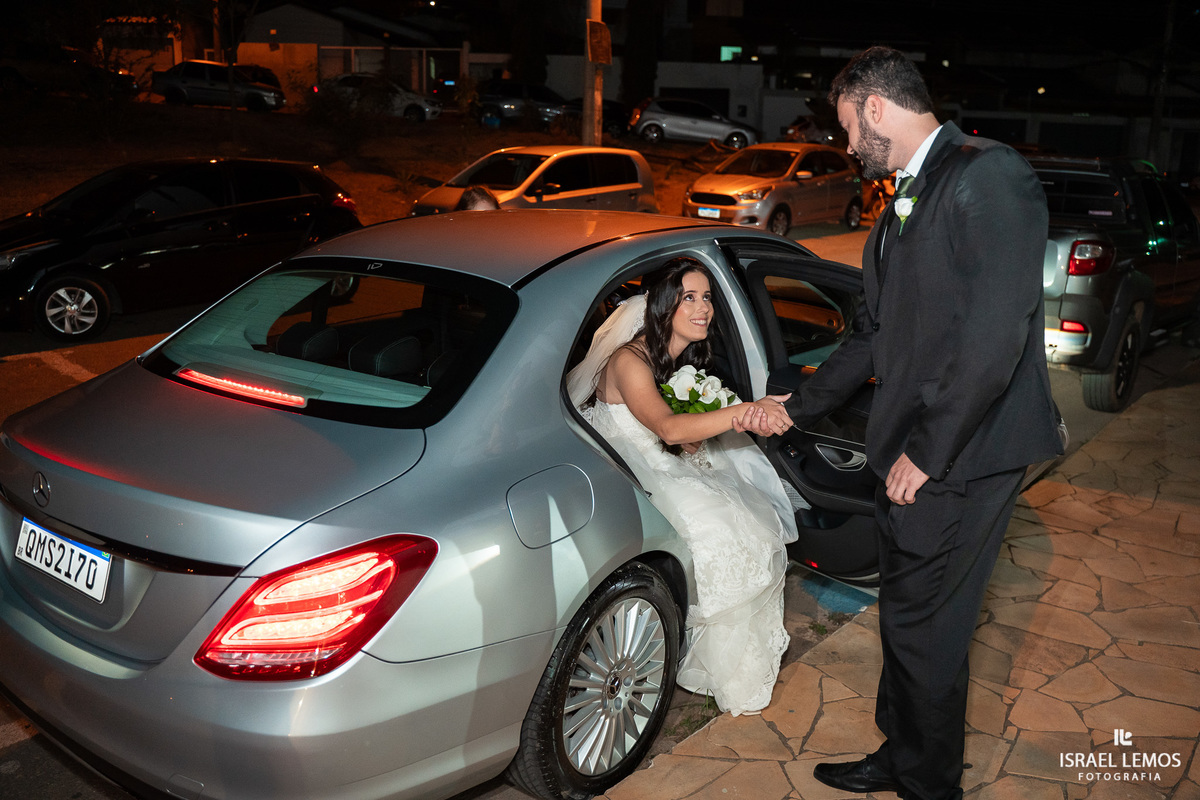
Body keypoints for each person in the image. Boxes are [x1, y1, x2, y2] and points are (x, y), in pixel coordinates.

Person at [784, 47, 1063, 799]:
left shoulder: (988, 175)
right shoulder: (899, 205)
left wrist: (929, 452)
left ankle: (926, 783)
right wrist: (796, 407)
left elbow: (994, 335)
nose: (846, 146)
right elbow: (874, 336)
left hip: (964, 453)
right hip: (914, 447)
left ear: (877, 107)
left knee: (927, 626)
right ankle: (903, 753)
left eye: (847, 126)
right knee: (909, 617)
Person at [566, 257, 797, 716]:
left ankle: (721, 659)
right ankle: (704, 658)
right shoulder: (629, 360)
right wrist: (739, 413)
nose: (703, 308)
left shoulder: (677, 357)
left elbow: (677, 431)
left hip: (662, 461)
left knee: (756, 518)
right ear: (662, 305)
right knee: (725, 530)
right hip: (632, 472)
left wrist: (724, 423)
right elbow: (669, 430)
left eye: (707, 297)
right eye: (689, 297)